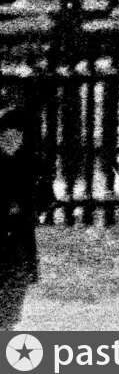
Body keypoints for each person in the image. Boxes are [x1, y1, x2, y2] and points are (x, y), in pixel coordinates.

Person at [0, 102, 43, 328]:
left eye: (17, 137)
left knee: (12, 303)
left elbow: (45, 197)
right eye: (6, 137)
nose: (12, 142)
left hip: (20, 243)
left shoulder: (30, 164)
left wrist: (27, 208)